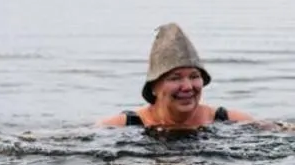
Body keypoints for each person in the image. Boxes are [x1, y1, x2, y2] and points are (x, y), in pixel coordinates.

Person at [99, 23, 255, 130]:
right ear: (154, 86)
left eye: (194, 76)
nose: (187, 87)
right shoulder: (123, 126)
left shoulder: (230, 121)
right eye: (175, 78)